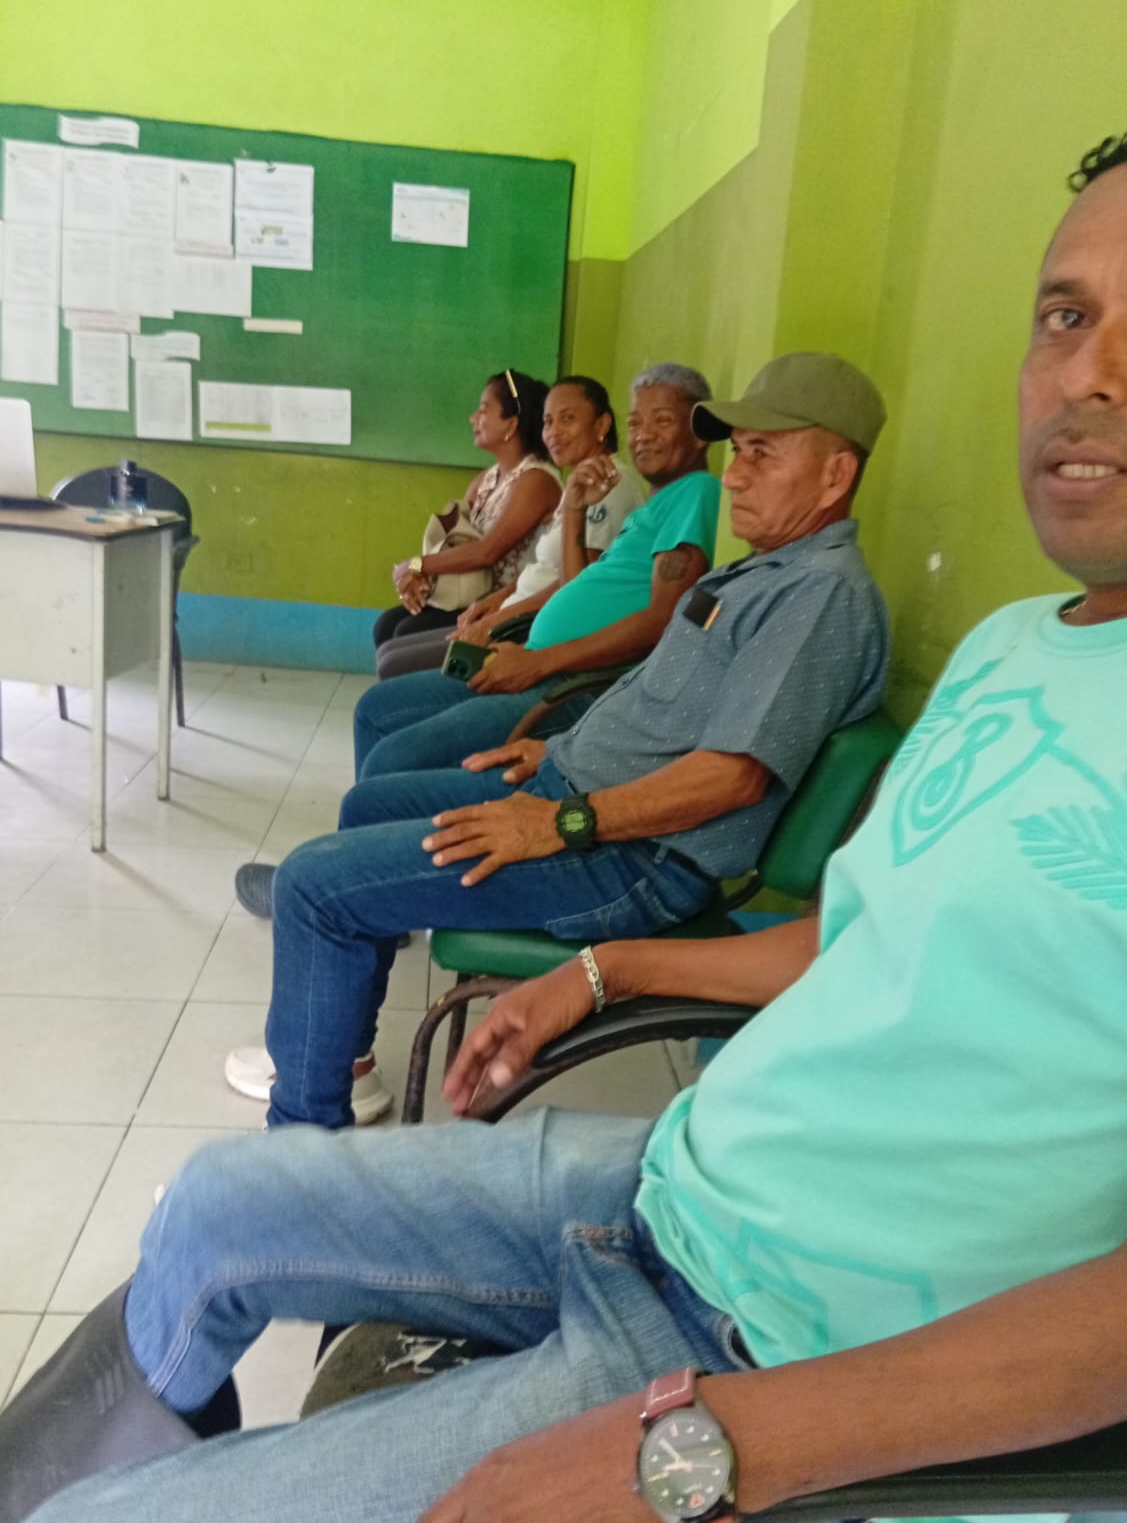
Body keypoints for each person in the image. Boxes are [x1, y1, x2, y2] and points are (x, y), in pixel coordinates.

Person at [14, 114, 1127, 1523]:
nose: (1088, 371)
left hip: (761, 1342)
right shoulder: (1015, 644)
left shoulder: (833, 601)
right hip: (672, 1185)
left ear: (835, 475)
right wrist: (597, 974)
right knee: (215, 1203)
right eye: (1062, 314)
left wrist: (707, 1447)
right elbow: (850, 941)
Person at [224, 349, 887, 1128]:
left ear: (835, 475)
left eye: (762, 455)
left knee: (312, 885)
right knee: (369, 804)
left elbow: (732, 777)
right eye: (737, 452)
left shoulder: (821, 597)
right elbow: (662, 701)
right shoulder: (765, 573)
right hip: (575, 793)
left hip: (628, 857)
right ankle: (343, 1063)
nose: (735, 476)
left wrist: (561, 821)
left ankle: (300, 1143)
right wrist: (557, 753)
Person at [228, 363, 720, 929]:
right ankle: (360, 886)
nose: (643, 435)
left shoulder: (695, 493)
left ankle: (355, 895)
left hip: (568, 686)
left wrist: (534, 660)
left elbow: (661, 621)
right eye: (637, 422)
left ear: (699, 429)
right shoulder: (654, 505)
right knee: (375, 710)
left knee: (390, 760)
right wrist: (574, 511)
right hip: (537, 662)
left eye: (662, 421)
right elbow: (578, 585)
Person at [371, 375, 644, 683]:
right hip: (509, 607)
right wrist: (494, 601)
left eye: (567, 419)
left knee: (395, 662)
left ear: (602, 425)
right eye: (548, 422)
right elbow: (546, 569)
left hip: (528, 626)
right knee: (390, 642)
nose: (553, 432)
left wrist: (492, 619)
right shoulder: (576, 482)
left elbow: (574, 585)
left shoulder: (604, 484)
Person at [371, 369, 560, 674]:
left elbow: (487, 552)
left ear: (511, 424)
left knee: (405, 633)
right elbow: (454, 536)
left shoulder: (536, 480)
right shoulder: (486, 479)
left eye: (483, 410)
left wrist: (418, 565)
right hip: (466, 595)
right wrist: (421, 576)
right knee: (387, 625)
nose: (473, 419)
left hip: (504, 603)